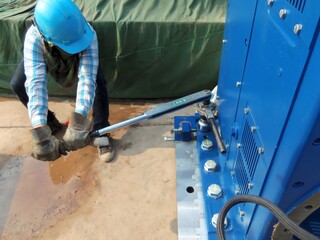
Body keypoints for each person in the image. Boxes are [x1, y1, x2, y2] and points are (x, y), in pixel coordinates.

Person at [10, 0, 115, 162]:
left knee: (97, 82)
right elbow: (35, 83)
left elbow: (87, 78)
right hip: (48, 49)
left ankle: (101, 132)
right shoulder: (34, 38)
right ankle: (51, 124)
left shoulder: (86, 34)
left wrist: (79, 122)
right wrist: (40, 132)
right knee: (17, 84)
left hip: (74, 49)